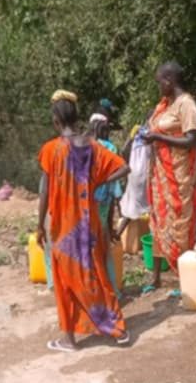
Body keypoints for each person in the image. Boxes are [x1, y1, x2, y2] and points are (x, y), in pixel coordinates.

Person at [37, 90, 130, 351]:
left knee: (65, 281)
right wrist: (96, 181)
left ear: (56, 121)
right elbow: (125, 167)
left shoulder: (50, 150)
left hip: (64, 227)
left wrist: (39, 225)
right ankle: (118, 329)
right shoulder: (91, 146)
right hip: (89, 225)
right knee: (97, 274)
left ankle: (69, 339)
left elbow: (44, 192)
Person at [144, 61, 196, 290]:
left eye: (160, 82)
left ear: (170, 80)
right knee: (159, 222)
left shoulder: (186, 105)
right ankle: (156, 277)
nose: (159, 87)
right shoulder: (165, 105)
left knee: (179, 224)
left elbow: (191, 140)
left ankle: (184, 279)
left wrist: (158, 138)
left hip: (178, 176)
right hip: (160, 175)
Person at [89, 118, 124, 298]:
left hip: (91, 200)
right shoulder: (111, 148)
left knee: (92, 249)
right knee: (103, 244)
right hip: (105, 199)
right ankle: (111, 289)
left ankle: (100, 291)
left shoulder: (90, 147)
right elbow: (118, 173)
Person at [116, 122, 151, 239]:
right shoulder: (151, 136)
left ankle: (118, 234)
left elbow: (123, 152)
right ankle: (153, 240)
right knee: (149, 207)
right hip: (145, 176)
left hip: (133, 174)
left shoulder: (136, 137)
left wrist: (131, 138)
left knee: (132, 206)